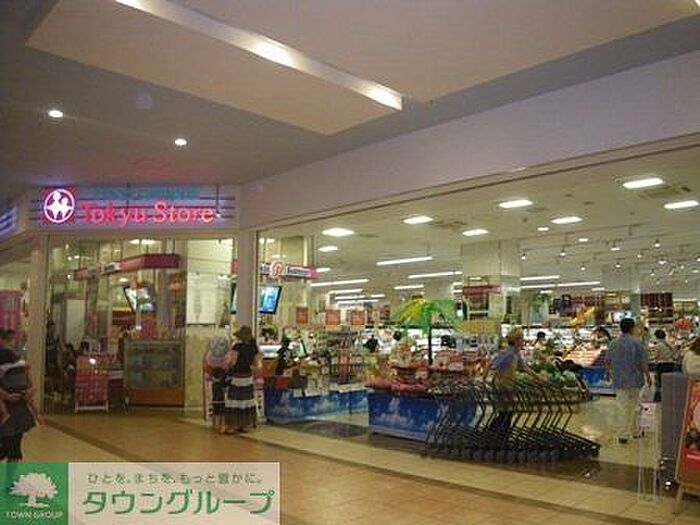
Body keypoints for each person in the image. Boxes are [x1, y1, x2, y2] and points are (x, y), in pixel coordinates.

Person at [606, 318, 651, 444]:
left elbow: (607, 360)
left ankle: (623, 434)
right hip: (635, 379)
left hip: (619, 379)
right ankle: (635, 431)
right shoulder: (637, 343)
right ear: (632, 328)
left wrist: (608, 373)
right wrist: (648, 376)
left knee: (622, 407)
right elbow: (642, 363)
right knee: (635, 406)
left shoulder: (613, 343)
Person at [0, 331, 38, 462]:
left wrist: (30, 391)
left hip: (17, 408)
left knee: (14, 449)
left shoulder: (19, 364)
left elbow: (31, 385)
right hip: (9, 409)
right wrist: (6, 396)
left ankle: (11, 474)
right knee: (8, 448)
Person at [489, 327, 530, 432]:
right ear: (516, 340)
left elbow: (524, 368)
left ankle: (497, 434)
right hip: (502, 387)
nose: (523, 341)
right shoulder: (508, 353)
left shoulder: (516, 353)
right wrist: (485, 380)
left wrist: (538, 377)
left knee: (507, 413)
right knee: (506, 413)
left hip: (509, 386)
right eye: (521, 338)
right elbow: (492, 364)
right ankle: (496, 434)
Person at [224, 326, 261, 434]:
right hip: (247, 377)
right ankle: (245, 425)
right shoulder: (254, 348)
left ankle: (233, 425)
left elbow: (232, 362)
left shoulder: (237, 346)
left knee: (235, 401)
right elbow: (258, 365)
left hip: (237, 377)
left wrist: (227, 369)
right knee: (246, 401)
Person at [204, 336, 234, 434]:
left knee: (216, 401)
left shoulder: (210, 357)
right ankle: (222, 423)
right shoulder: (228, 357)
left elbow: (206, 367)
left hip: (216, 381)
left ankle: (215, 423)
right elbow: (230, 366)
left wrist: (213, 375)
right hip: (225, 380)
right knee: (224, 402)